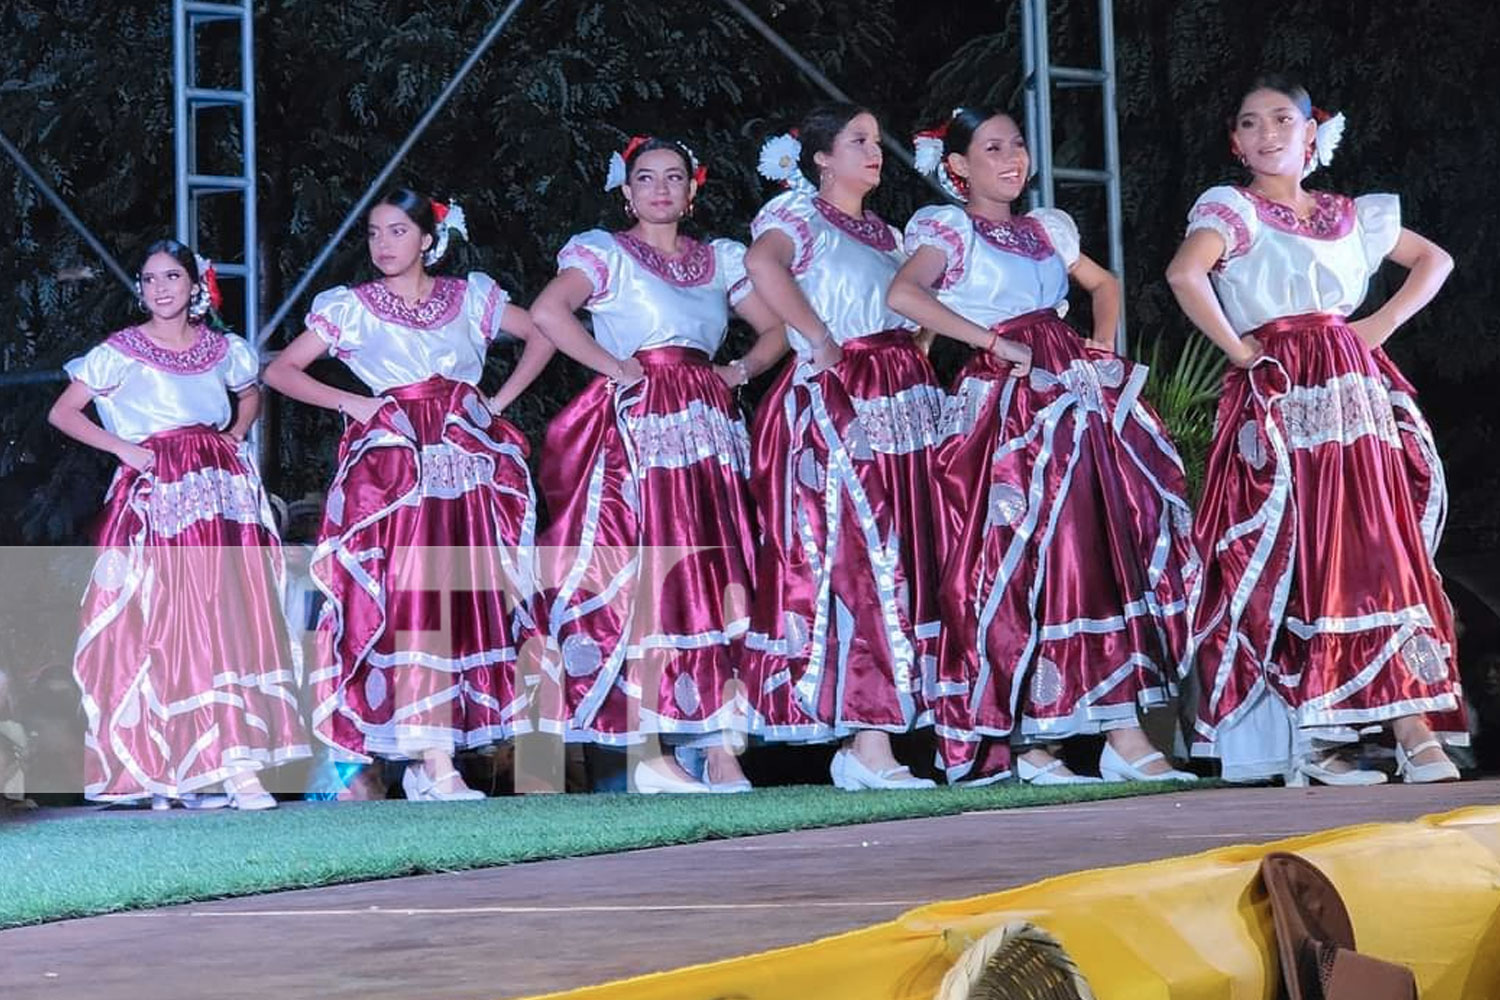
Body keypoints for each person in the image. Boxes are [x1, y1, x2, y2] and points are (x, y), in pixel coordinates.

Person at [1165, 76, 1463, 784]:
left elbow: (1435, 260)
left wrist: (1379, 325)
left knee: (1375, 546)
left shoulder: (1350, 214)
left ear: (1311, 136)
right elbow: (1185, 275)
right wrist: (1243, 353)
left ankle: (1400, 724)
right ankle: (1323, 736)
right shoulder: (1231, 209)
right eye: (1249, 123)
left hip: (1353, 395)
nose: (1266, 133)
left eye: (1281, 120)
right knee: (1298, 552)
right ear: (1235, 144)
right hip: (1281, 393)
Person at [889, 107, 1198, 786]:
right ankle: (1028, 739)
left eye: (1018, 144)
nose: (1012, 157)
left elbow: (1105, 285)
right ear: (959, 166)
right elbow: (905, 293)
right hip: (1006, 408)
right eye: (992, 148)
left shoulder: (1043, 230)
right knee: (1018, 560)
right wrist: (992, 342)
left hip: (1072, 397)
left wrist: (1101, 349)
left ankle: (1121, 731)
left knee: (1093, 552)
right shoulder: (949, 229)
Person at [264, 189, 553, 800]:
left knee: (463, 602)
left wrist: (494, 406)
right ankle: (432, 758)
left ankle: (436, 759)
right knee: (407, 605)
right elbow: (281, 371)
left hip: (464, 471)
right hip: (393, 476)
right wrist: (355, 402)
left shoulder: (470, 296)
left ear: (427, 237)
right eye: (373, 233)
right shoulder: (354, 308)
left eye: (397, 231)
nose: (383, 244)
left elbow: (545, 333)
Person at [531, 136, 787, 793]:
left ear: (692, 190)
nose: (661, 189)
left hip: (705, 424)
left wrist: (739, 370)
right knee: (650, 575)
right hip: (639, 432)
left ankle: (717, 742)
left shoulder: (719, 260)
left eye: (674, 178)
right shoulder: (604, 253)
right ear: (626, 190)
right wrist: (614, 367)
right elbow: (548, 311)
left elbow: (778, 329)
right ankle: (648, 746)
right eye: (646, 178)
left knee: (716, 571)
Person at [50, 239, 310, 809]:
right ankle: (181, 765)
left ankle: (226, 761)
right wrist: (125, 449)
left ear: (195, 285)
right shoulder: (119, 351)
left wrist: (236, 436)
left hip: (220, 490)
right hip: (157, 495)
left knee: (230, 615)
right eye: (148, 279)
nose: (160, 287)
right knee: (170, 625)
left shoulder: (224, 349)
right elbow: (63, 412)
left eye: (171, 276)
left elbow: (250, 394)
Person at [740, 104, 945, 789]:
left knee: (911, 554)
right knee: (865, 556)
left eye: (876, 138)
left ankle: (895, 732)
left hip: (901, 398)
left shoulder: (888, 233)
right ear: (821, 157)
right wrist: (818, 339)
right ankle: (867, 740)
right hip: (841, 399)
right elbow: (762, 266)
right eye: (856, 140)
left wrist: (916, 357)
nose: (873, 149)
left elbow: (912, 308)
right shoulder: (795, 216)